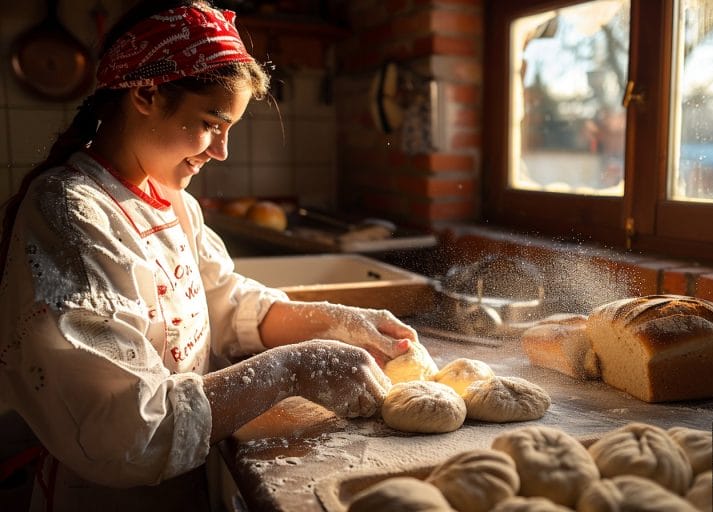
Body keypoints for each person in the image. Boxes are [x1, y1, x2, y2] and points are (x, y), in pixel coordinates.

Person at [0, 1, 416, 510]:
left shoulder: (174, 201)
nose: (221, 151)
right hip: (109, 498)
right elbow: (126, 430)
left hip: (192, 481)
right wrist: (289, 370)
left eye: (229, 129)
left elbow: (222, 303)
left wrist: (332, 322)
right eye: (211, 123)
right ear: (147, 93)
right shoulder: (69, 213)